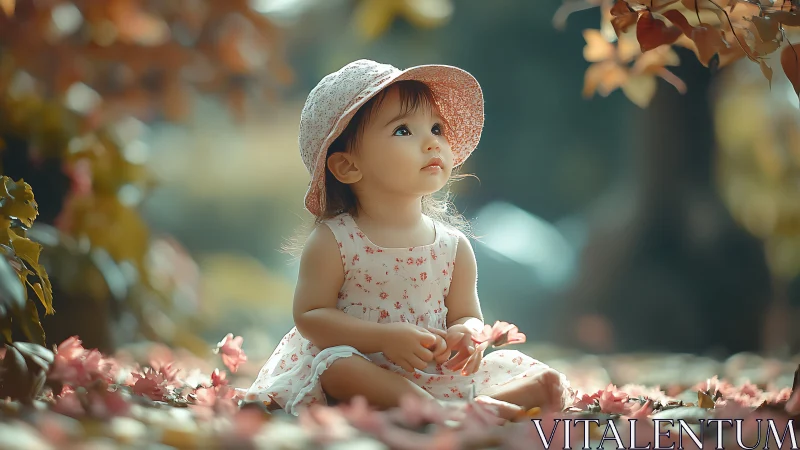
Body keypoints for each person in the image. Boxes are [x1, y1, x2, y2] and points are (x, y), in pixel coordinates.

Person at [244, 59, 573, 420]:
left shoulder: (452, 246)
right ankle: (447, 412)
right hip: (366, 367)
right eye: (403, 131)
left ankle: (454, 410)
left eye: (435, 128)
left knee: (548, 381)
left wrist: (467, 336)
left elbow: (466, 314)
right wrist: (384, 338)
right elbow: (311, 317)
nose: (432, 142)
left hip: (434, 372)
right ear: (348, 166)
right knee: (335, 366)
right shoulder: (335, 241)